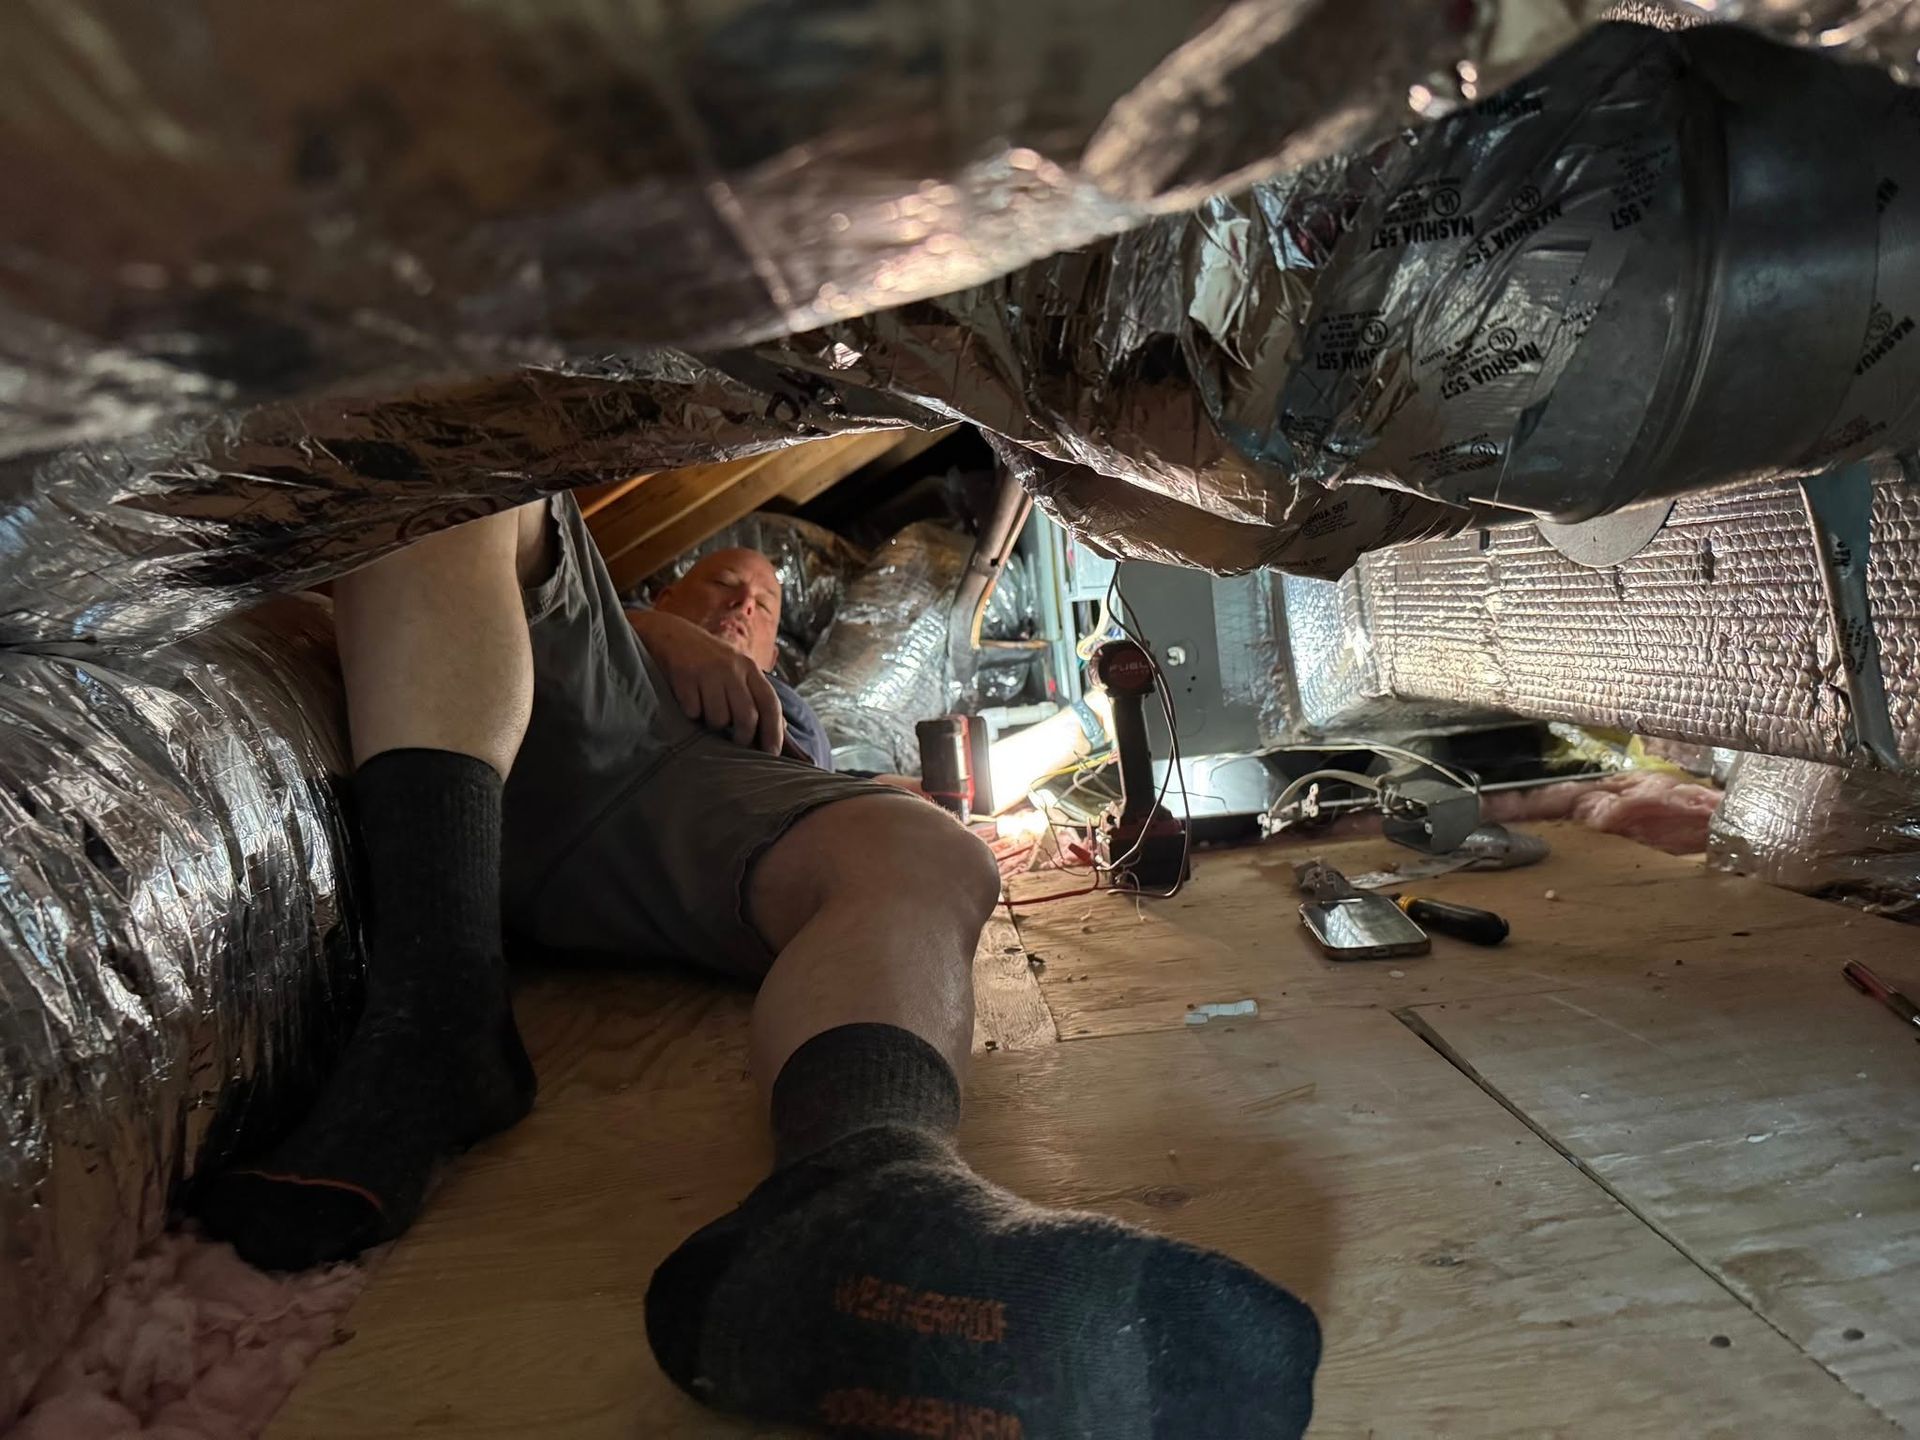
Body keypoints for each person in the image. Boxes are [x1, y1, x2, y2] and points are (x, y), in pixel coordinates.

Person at [194, 492, 1321, 1438]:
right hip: (571, 716)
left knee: (930, 849)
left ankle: (861, 1186)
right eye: (722, 585)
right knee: (469, 464)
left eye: (764, 605)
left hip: (680, 795)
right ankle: (437, 1007)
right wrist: (656, 631)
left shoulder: (790, 722)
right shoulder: (614, 625)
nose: (743, 602)